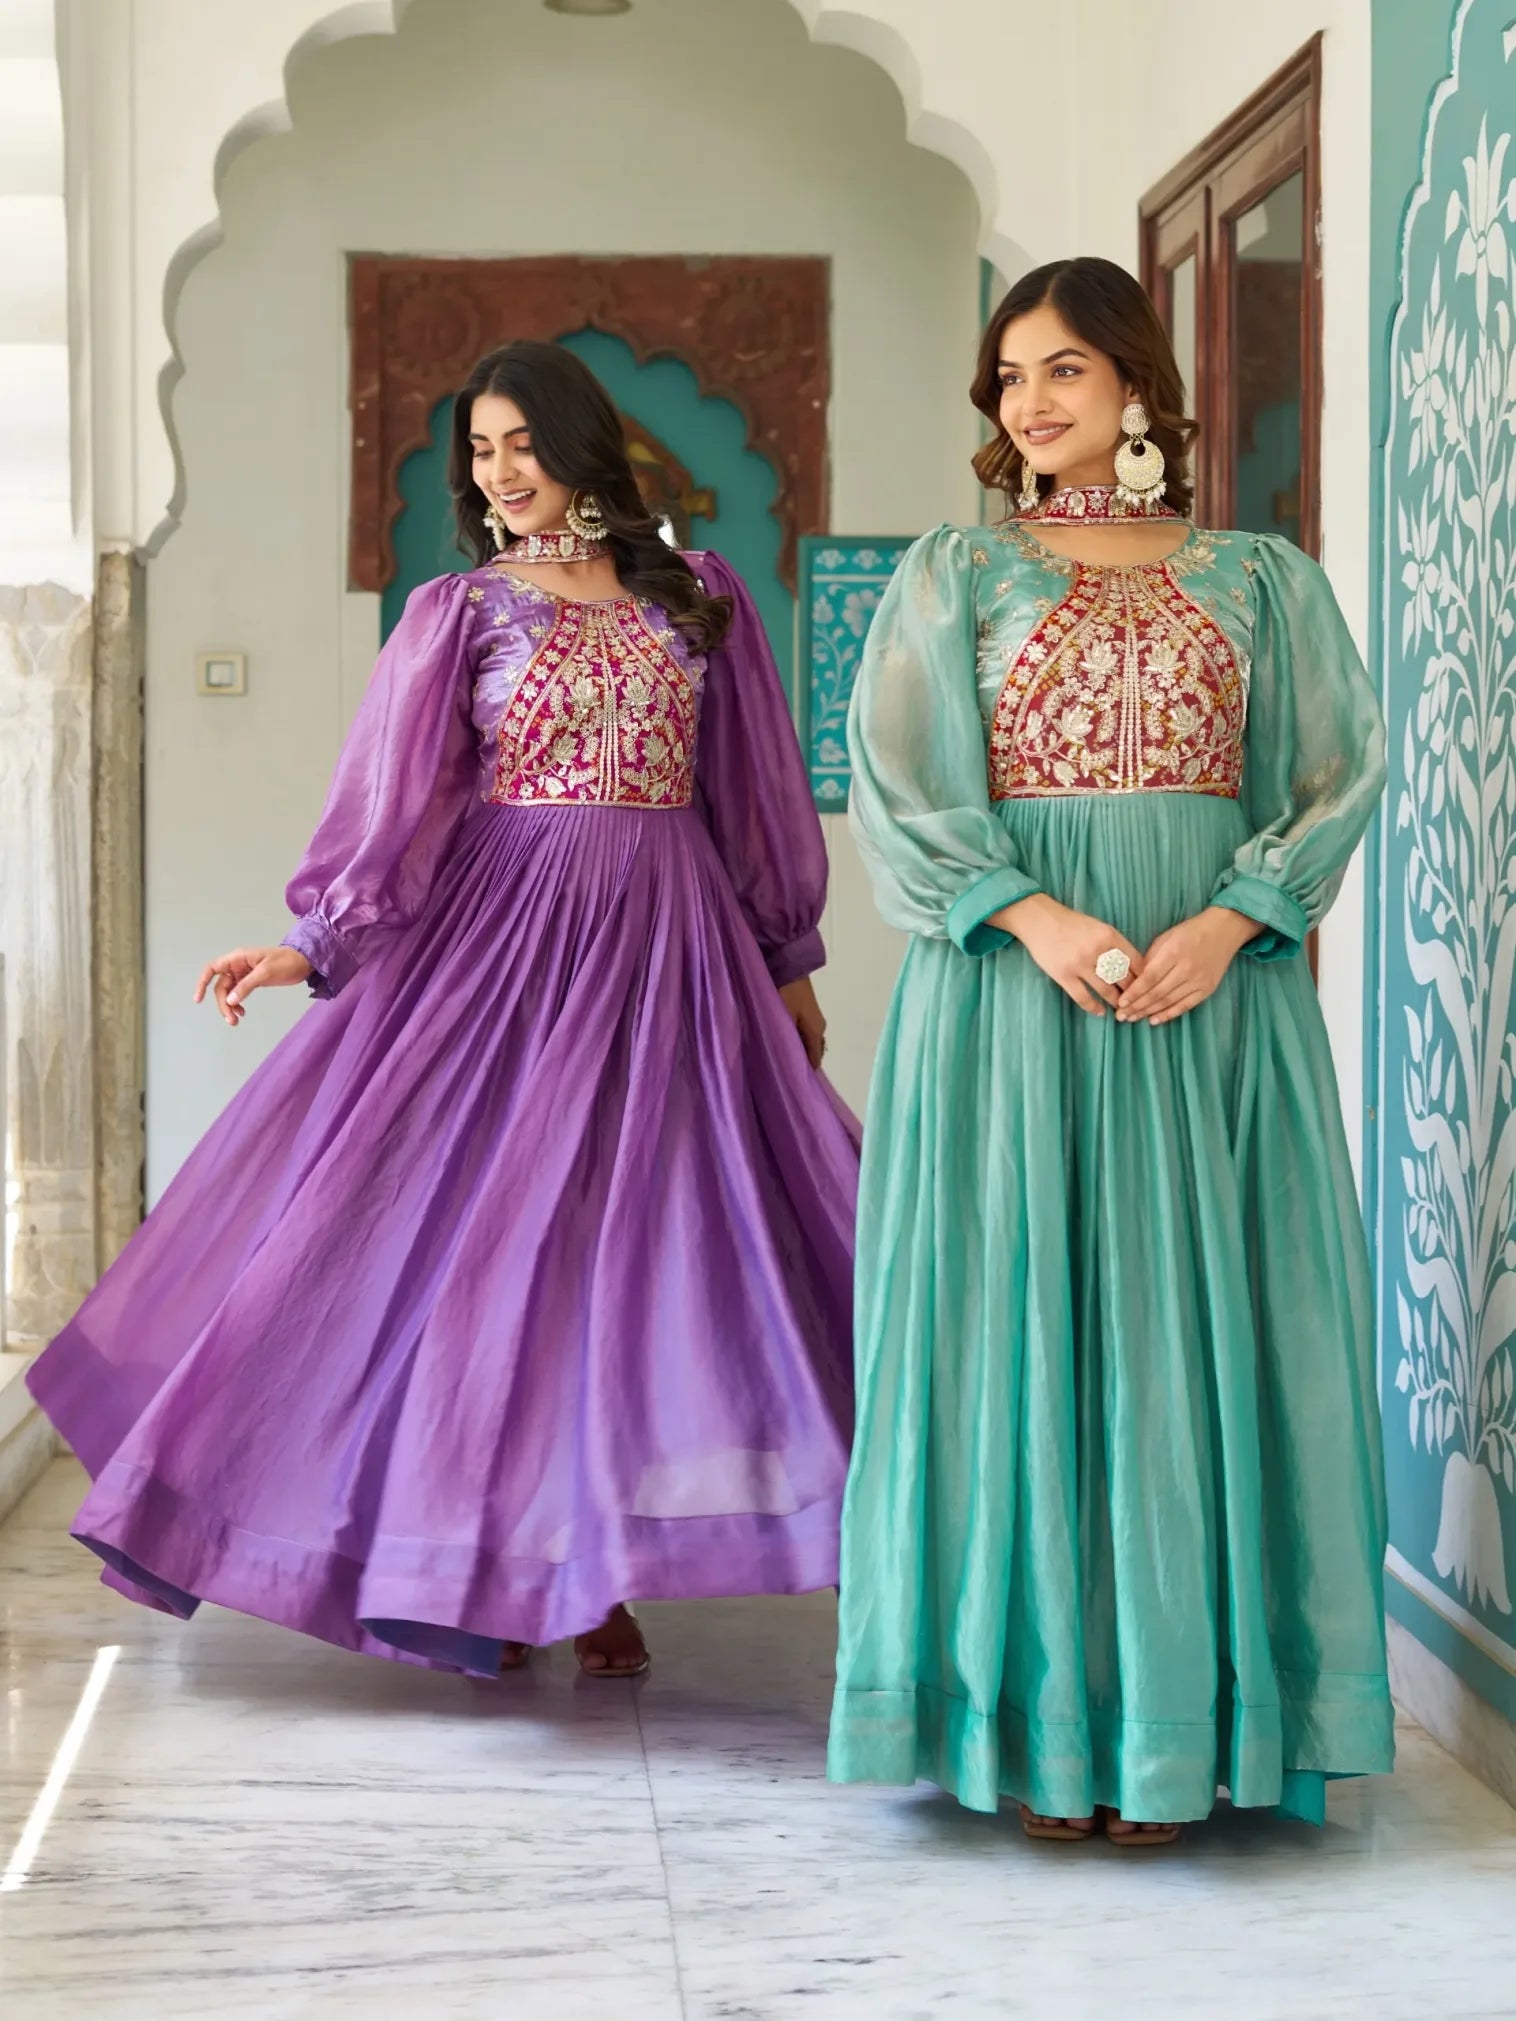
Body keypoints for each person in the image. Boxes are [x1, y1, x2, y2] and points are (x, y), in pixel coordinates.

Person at [29, 341, 858, 1681]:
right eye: (480, 451)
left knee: (640, 1250)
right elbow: (395, 803)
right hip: (504, 956)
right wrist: (314, 945)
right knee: (492, 1254)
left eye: (521, 442)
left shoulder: (700, 597)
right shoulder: (459, 611)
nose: (499, 472)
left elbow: (753, 799)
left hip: (670, 955)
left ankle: (602, 1571)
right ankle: (490, 1565)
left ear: (586, 445)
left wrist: (788, 962)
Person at [827, 258, 1393, 1842]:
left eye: (1065, 370)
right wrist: (1032, 916)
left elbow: (1334, 772)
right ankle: (1033, 1732)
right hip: (1015, 1004)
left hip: (1215, 999)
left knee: (1187, 1338)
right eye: (1010, 378)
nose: (1032, 403)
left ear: (1140, 385)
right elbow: (903, 784)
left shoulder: (1262, 578)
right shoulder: (959, 573)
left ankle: (1182, 1733)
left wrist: (1236, 919)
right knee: (1018, 1327)